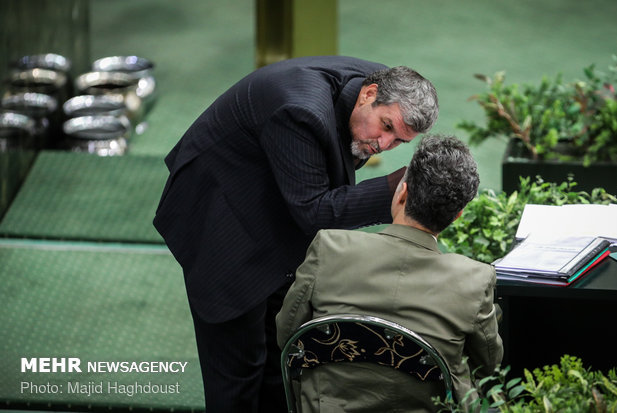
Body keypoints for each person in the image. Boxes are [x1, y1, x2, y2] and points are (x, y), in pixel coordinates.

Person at [153, 56, 439, 412]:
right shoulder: (298, 110)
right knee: (238, 375)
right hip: (219, 221)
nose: (383, 144)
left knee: (281, 362)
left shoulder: (383, 88)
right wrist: (397, 189)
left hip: (271, 206)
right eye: (385, 127)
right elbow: (313, 210)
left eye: (399, 140)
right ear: (369, 94)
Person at [276, 134, 504, 412]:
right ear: (457, 216)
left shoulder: (329, 247)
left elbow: (288, 334)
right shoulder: (473, 280)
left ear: (402, 192)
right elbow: (489, 368)